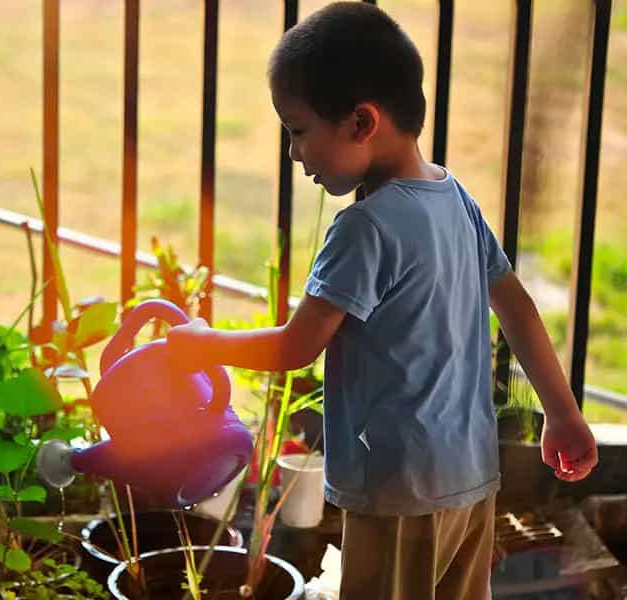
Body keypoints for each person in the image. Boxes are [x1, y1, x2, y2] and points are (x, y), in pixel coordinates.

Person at [167, 3, 598, 598]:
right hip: (472, 479)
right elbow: (517, 307)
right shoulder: (454, 198)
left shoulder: (364, 228)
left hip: (399, 492)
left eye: (298, 130)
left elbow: (297, 346)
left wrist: (201, 346)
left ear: (361, 122)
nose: (295, 153)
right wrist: (562, 412)